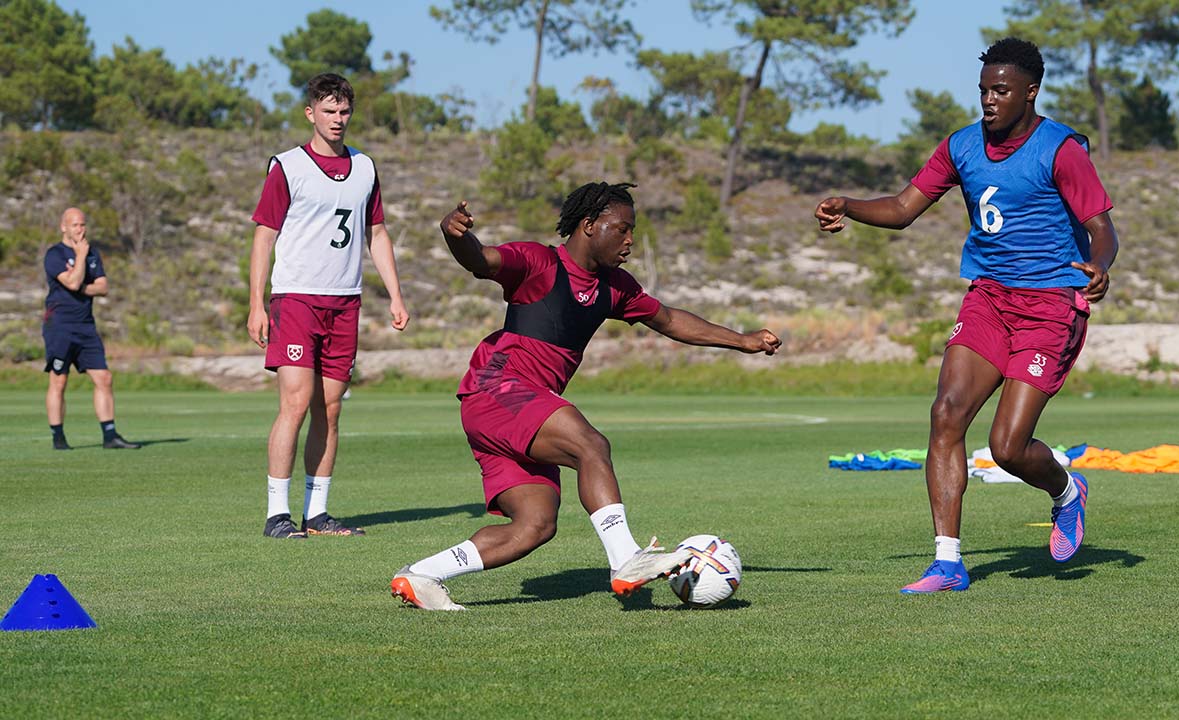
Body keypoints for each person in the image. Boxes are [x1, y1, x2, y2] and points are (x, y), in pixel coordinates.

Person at [815, 38, 1118, 593]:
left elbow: (1101, 228)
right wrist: (849, 206)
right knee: (946, 414)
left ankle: (1066, 491)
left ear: (1030, 92)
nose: (988, 100)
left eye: (1000, 90)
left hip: (1050, 307)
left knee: (1006, 448)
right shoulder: (960, 146)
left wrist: (1099, 266)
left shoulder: (1061, 149)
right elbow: (904, 209)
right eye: (983, 90)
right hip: (988, 299)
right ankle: (948, 562)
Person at [390, 182, 782, 610]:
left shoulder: (615, 287)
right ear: (590, 225)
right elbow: (482, 260)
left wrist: (741, 340)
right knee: (590, 444)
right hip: (498, 390)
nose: (630, 240)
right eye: (623, 229)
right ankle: (626, 560)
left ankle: (421, 575)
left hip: (519, 407)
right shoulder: (538, 262)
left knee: (535, 526)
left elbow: (669, 320)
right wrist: (456, 236)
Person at [248, 73, 409, 540]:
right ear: (310, 113)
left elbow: (376, 232)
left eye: (344, 112)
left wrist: (395, 294)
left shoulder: (365, 168)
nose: (338, 120)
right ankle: (276, 513)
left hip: (346, 302)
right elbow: (264, 235)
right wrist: (256, 303)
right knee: (295, 403)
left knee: (331, 409)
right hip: (296, 298)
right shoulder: (288, 166)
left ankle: (316, 513)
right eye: (329, 111)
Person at [42, 208, 141, 451]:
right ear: (63, 227)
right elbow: (73, 281)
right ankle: (58, 437)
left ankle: (110, 436)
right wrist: (81, 256)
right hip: (60, 326)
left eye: (83, 224)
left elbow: (103, 287)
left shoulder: (92, 253)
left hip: (85, 326)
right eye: (75, 225)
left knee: (104, 378)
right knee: (59, 381)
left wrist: (82, 283)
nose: (80, 229)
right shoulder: (54, 254)